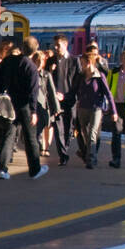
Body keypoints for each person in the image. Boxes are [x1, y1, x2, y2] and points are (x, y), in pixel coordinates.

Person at [0, 36, 48, 180]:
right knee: (30, 138)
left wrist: (1, 90)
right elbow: (33, 92)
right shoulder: (31, 67)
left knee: (8, 135)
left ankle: (2, 169)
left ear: (22, 48)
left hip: (9, 104)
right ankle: (35, 169)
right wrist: (34, 111)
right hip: (25, 107)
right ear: (35, 50)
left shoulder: (9, 61)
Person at [72, 47, 117, 168]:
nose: (81, 66)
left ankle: (91, 160)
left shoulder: (99, 76)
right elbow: (73, 91)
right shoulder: (80, 76)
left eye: (82, 63)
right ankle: (90, 156)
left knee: (92, 133)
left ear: (89, 62)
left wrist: (114, 111)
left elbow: (108, 93)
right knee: (85, 134)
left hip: (96, 108)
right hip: (82, 109)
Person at [48, 36, 78, 166]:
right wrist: (50, 70)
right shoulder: (51, 61)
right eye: (55, 45)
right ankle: (63, 155)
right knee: (58, 127)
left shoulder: (74, 61)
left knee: (68, 128)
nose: (55, 48)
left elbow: (77, 82)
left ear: (65, 46)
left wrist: (67, 96)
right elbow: (45, 80)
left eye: (58, 45)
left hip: (70, 100)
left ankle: (65, 149)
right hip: (55, 101)